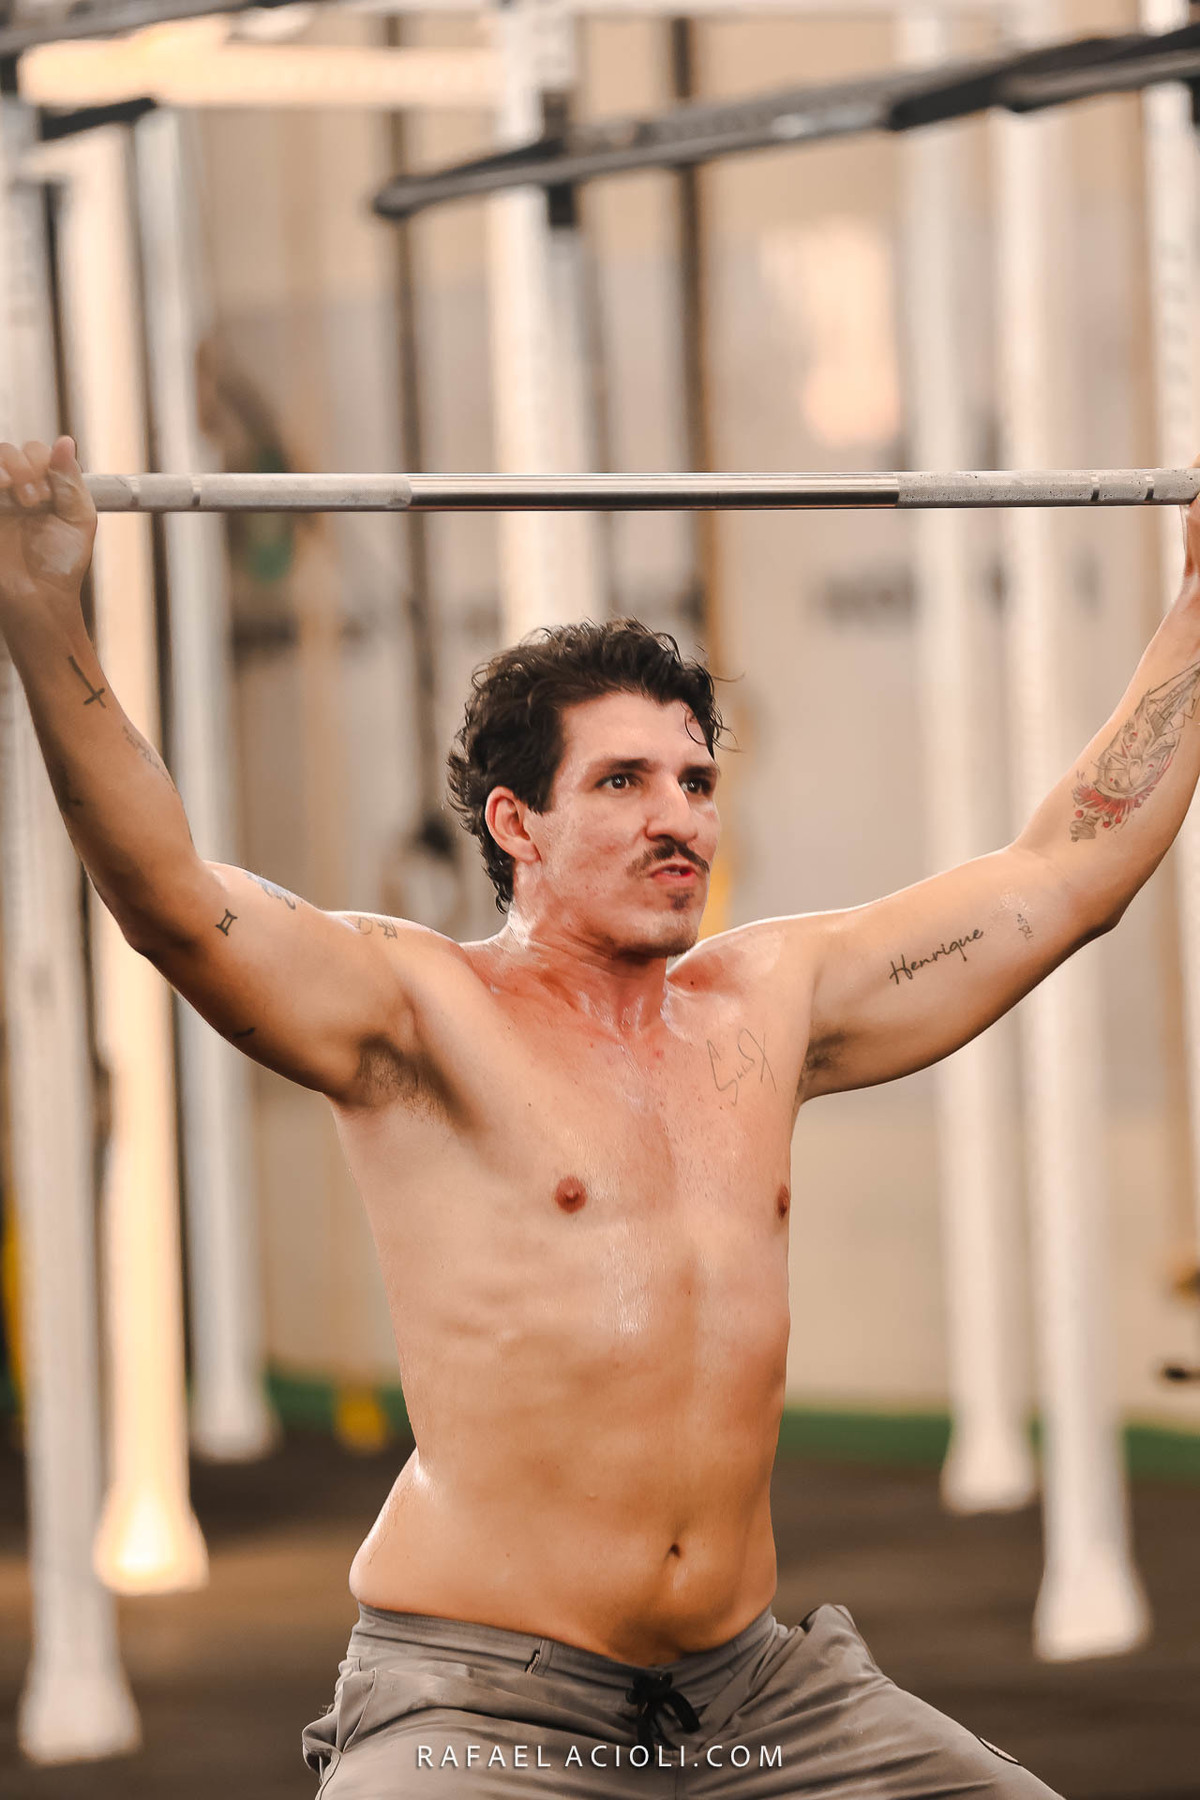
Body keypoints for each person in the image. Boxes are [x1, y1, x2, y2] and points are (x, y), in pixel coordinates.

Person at [3, 435, 1196, 1799]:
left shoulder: (768, 1005)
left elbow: (1064, 875)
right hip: (483, 1703)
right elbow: (171, 898)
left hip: (756, 1698)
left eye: (695, 782)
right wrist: (43, 613)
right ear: (518, 823)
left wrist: (1196, 611)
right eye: (623, 783)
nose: (678, 819)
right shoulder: (420, 1014)